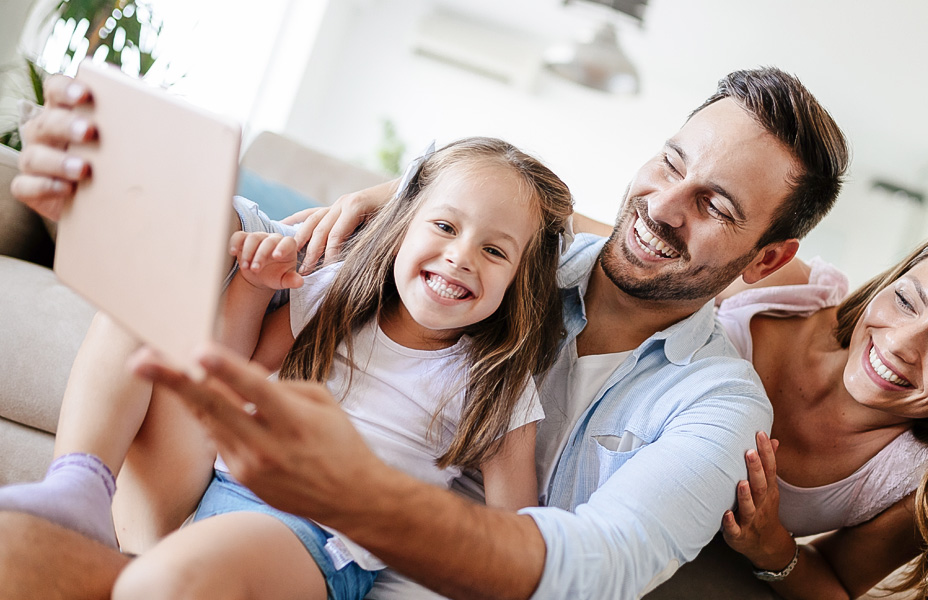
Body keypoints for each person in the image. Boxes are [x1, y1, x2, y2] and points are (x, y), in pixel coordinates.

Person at [2, 66, 850, 599]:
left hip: (327, 551)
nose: (665, 207)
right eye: (670, 163)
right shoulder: (502, 255)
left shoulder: (718, 407)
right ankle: (77, 483)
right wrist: (107, 177)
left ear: (769, 256)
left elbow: (596, 568)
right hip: (211, 491)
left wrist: (352, 493)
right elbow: (257, 247)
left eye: (717, 206)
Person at [2, 137, 574, 600]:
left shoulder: (495, 380)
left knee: (171, 579)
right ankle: (79, 483)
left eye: (495, 251)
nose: (461, 255)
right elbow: (224, 378)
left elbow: (512, 533)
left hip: (315, 539)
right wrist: (253, 287)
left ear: (520, 279)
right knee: (138, 304)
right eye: (445, 227)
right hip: (211, 483)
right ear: (401, 226)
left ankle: (142, 558)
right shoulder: (332, 296)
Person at [702, 221, 928, 600]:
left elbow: (838, 586)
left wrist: (771, 544)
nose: (898, 344)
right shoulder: (780, 286)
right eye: (906, 301)